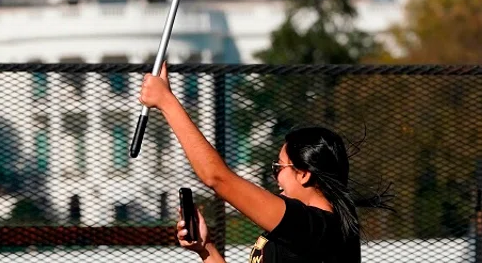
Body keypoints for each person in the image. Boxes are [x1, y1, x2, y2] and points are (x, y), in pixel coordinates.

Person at [139, 64, 389, 262]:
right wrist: (206, 249)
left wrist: (167, 103)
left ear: (303, 174)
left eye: (279, 168)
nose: (275, 176)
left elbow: (217, 177)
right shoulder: (301, 229)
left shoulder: (317, 227)